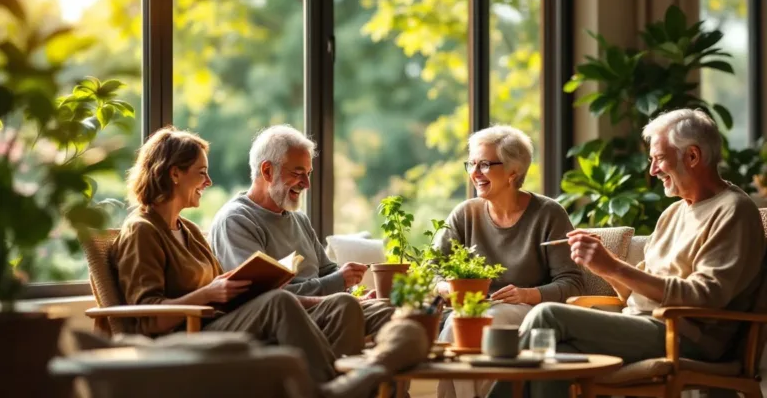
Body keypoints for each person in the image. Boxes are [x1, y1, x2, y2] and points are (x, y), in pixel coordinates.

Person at [490, 109, 766, 398]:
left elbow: (707, 295)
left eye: (659, 158)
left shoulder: (734, 210)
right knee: (555, 355)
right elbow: (638, 290)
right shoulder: (672, 213)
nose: (653, 171)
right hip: (644, 327)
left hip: (686, 337)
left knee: (548, 315)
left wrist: (615, 267)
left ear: (693, 156)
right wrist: (602, 267)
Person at [112, 126, 366, 385]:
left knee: (342, 305)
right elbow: (146, 318)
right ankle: (339, 388)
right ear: (175, 173)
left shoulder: (187, 229)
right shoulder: (142, 230)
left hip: (216, 323)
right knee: (279, 302)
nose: (208, 182)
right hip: (185, 335)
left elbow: (222, 285)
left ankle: (331, 386)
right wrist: (209, 293)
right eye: (202, 173)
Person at [436, 125, 584, 398]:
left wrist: (526, 294)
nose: (475, 173)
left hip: (526, 312)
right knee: (459, 324)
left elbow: (573, 283)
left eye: (485, 164)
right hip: (469, 310)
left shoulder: (549, 214)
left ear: (513, 172)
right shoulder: (464, 214)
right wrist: (447, 288)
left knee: (484, 323)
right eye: (471, 164)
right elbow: (431, 269)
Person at [208, 125, 393, 337]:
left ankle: (373, 367)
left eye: (308, 174)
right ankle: (341, 369)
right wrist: (338, 284)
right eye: (298, 173)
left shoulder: (299, 218)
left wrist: (352, 290)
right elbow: (264, 298)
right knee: (345, 307)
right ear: (267, 171)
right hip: (286, 316)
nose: (306, 184)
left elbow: (326, 271)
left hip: (324, 308)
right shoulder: (236, 220)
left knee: (389, 311)